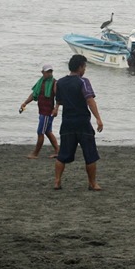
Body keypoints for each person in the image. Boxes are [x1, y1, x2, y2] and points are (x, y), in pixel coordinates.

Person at [53, 54, 104, 191]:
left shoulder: (60, 82)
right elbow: (90, 100)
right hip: (82, 122)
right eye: (84, 67)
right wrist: (98, 118)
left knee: (63, 154)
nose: (85, 70)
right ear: (80, 67)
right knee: (90, 154)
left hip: (67, 122)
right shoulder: (83, 82)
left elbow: (59, 100)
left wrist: (56, 108)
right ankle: (92, 183)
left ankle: (57, 181)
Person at [20, 63, 59, 159]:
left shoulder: (54, 83)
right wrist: (25, 103)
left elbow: (59, 97)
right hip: (41, 110)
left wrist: (56, 108)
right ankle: (58, 151)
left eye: (51, 71)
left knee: (40, 132)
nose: (49, 73)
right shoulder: (40, 82)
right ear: (42, 72)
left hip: (47, 112)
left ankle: (35, 153)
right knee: (48, 131)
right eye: (47, 72)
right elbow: (34, 94)